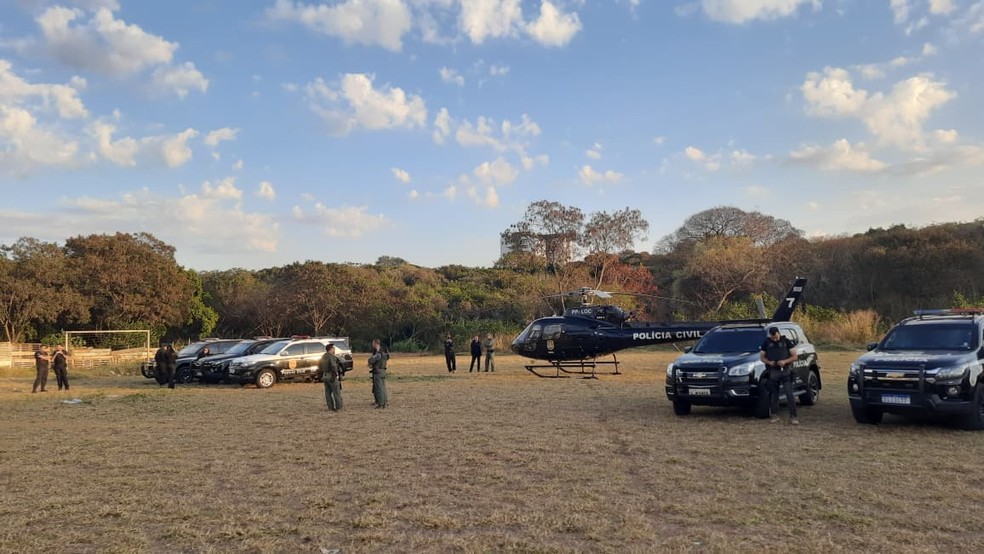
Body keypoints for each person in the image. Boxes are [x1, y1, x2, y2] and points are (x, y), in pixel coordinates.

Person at [760, 326, 799, 425]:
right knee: (774, 394)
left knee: (789, 394)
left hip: (786, 371)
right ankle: (774, 415)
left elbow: (795, 356)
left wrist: (785, 361)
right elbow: (762, 357)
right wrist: (768, 362)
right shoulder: (766, 343)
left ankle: (793, 417)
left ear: (779, 333)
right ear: (770, 335)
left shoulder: (786, 341)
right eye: (773, 338)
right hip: (773, 371)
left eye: (776, 337)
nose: (775, 339)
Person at [319, 343, 343, 411]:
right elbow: (334, 366)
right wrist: (335, 374)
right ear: (331, 349)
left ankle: (330, 407)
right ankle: (338, 406)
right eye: (333, 348)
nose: (334, 349)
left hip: (325, 375)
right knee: (336, 392)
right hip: (331, 375)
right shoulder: (331, 357)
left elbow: (319, 366)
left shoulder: (323, 356)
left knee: (328, 393)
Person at [368, 339, 389, 408]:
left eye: (373, 343)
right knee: (383, 388)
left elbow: (371, 360)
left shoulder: (378, 354)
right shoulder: (385, 353)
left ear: (375, 343)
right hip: (383, 370)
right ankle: (385, 402)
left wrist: (370, 361)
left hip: (378, 371)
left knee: (379, 388)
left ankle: (380, 403)